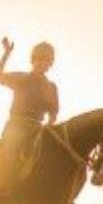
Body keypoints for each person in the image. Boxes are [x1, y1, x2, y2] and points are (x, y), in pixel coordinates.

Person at [0, 38, 59, 189]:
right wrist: (6, 54)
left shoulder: (51, 87)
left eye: (46, 60)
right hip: (17, 125)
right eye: (39, 59)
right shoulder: (22, 78)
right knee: (9, 150)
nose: (42, 63)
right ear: (33, 60)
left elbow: (54, 110)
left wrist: (50, 124)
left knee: (54, 156)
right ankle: (4, 188)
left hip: (38, 128)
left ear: (50, 63)